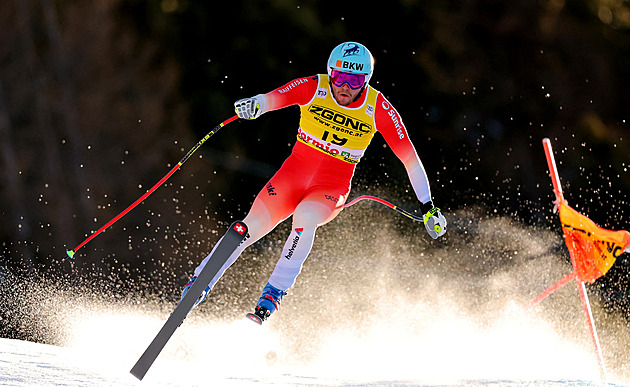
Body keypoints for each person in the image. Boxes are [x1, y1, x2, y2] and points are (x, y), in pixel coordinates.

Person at [180, 41, 446, 324]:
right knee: (246, 229)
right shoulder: (313, 87)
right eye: (339, 76)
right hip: (290, 178)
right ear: (330, 73)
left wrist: (428, 206)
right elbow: (273, 98)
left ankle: (272, 294)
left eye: (355, 80)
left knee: (304, 219)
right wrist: (255, 105)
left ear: (365, 81)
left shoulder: (377, 107)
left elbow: (410, 160)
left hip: (330, 189)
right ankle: (199, 283)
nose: (345, 86)